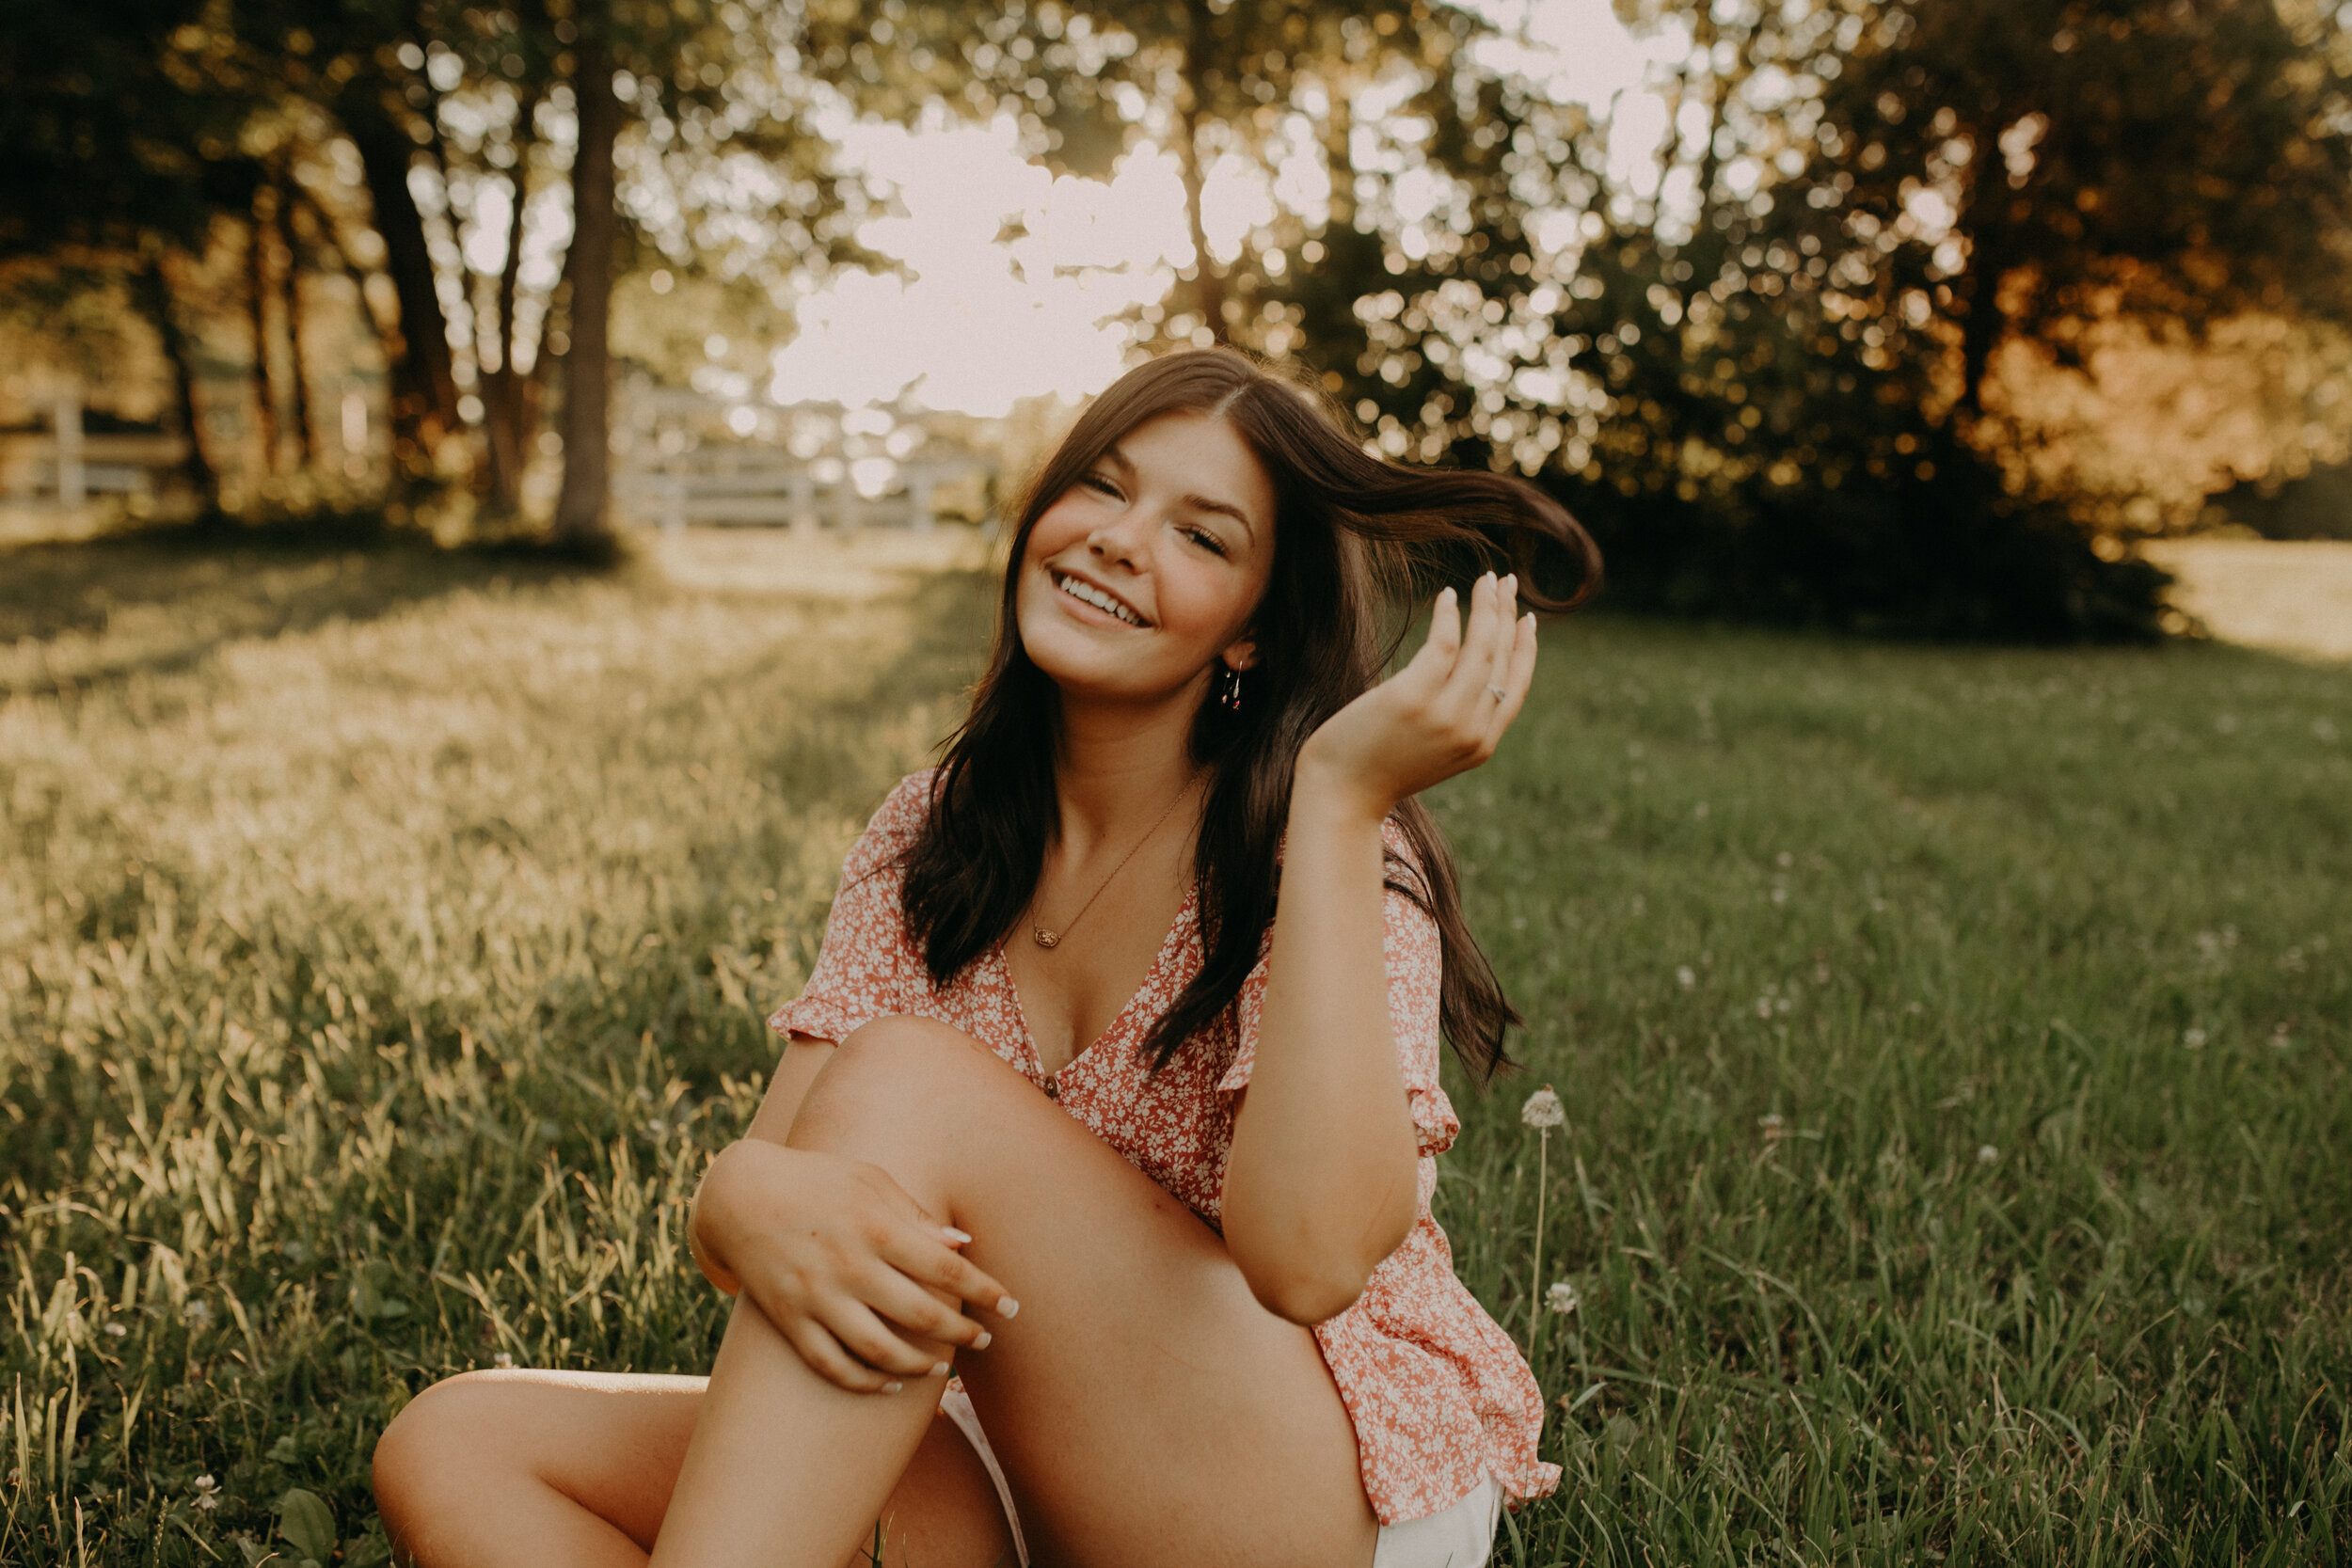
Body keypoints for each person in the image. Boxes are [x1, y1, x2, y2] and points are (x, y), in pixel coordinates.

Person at [371, 346, 1600, 1568]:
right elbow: (792, 1199)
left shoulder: (1330, 852)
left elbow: (1313, 1261)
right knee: (460, 1442)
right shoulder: (934, 829)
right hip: (1019, 1462)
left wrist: (1336, 798)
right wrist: (733, 1196)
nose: (1122, 538)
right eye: (1105, 487)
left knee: (912, 1082)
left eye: (1203, 537)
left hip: (1315, 1491)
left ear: (1250, 639)